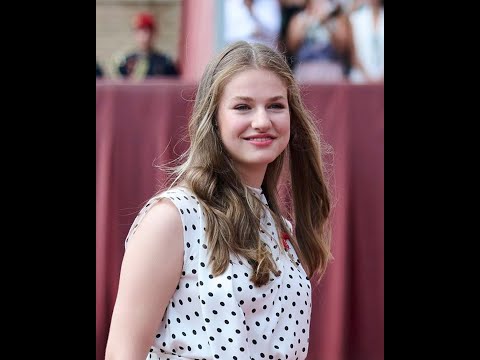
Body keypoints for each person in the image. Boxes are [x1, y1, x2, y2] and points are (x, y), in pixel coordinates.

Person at [104, 40, 332, 360]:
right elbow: (122, 352)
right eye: (243, 106)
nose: (262, 121)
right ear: (213, 118)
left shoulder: (284, 231)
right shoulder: (174, 218)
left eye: (276, 105)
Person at [286, 0, 354, 82]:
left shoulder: (337, 17)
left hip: (332, 70)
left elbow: (343, 48)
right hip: (305, 71)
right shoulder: (299, 19)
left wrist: (327, 23)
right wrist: (305, 26)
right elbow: (291, 48)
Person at [116, 11, 178, 79]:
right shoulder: (126, 62)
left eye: (149, 31)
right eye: (141, 31)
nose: (145, 36)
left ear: (155, 33)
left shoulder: (165, 62)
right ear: (135, 33)